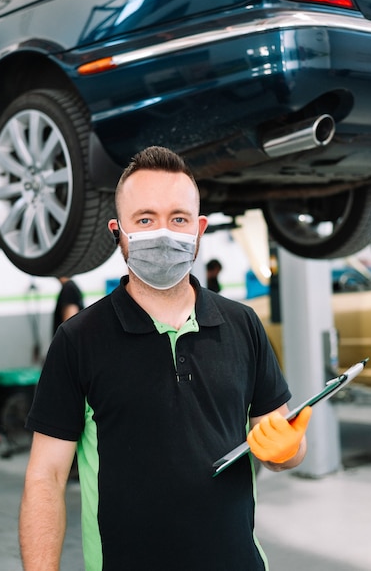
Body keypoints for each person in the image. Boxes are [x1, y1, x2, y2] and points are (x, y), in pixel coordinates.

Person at [19, 146, 311, 571]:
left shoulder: (242, 324)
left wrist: (288, 450)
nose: (163, 233)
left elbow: (282, 445)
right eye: (145, 219)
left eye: (178, 219)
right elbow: (45, 479)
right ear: (118, 231)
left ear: (199, 228)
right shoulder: (79, 340)